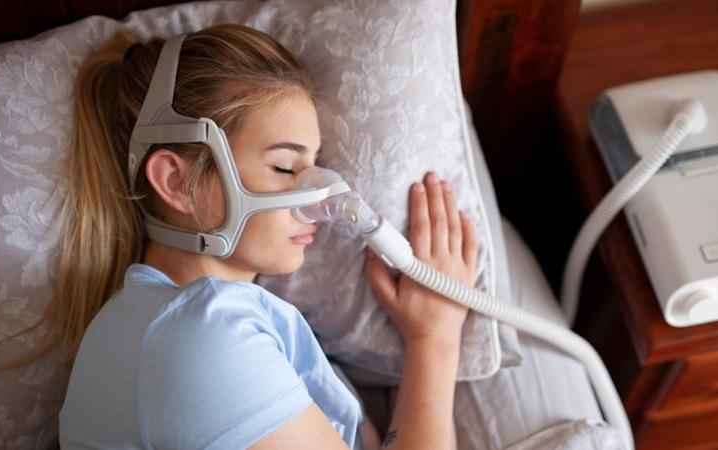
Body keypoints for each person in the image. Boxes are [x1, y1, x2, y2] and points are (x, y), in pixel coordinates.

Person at [56, 23, 479, 450]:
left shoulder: (215, 326)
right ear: (176, 182)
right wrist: (435, 339)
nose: (318, 197)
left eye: (314, 166)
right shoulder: (202, 339)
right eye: (284, 167)